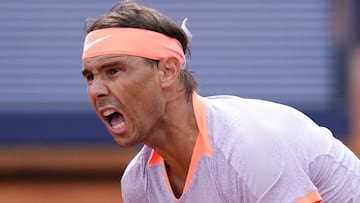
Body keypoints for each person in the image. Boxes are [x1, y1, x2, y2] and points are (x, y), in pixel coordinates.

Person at [81, 1, 360, 202]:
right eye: (90, 77)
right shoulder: (138, 184)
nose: (97, 90)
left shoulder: (247, 147)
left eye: (113, 71)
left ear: (166, 71)